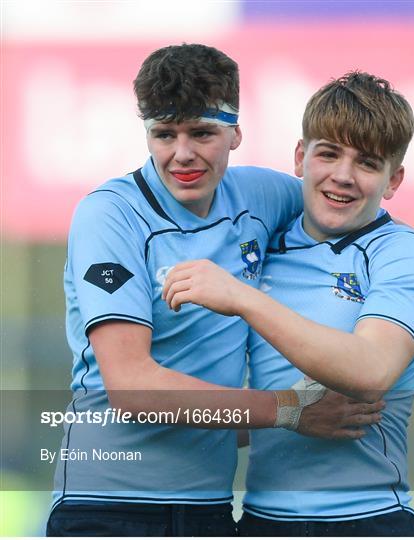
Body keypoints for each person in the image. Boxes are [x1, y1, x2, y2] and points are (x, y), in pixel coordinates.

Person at [46, 45, 388, 537]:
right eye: (164, 134)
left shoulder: (260, 195)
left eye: (201, 133)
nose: (181, 154)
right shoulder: (110, 215)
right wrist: (289, 410)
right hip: (108, 507)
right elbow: (129, 387)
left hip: (209, 510)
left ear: (235, 133)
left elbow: (355, 207)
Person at [163, 71, 414, 536]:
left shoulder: (403, 253)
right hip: (261, 522)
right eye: (328, 153)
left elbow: (371, 370)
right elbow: (252, 422)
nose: (342, 175)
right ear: (300, 157)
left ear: (393, 179)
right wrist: (285, 411)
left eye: (366, 162)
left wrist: (242, 298)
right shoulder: (263, 242)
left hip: (367, 521)